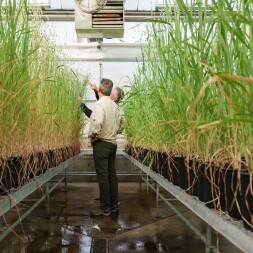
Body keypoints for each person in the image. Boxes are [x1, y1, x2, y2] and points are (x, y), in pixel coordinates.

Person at [89, 78, 124, 216]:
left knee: (103, 176)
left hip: (101, 143)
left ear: (100, 90)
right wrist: (114, 131)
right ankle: (114, 204)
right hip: (112, 144)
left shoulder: (99, 104)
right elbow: (122, 125)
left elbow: (97, 124)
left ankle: (105, 207)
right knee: (111, 175)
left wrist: (93, 136)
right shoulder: (115, 106)